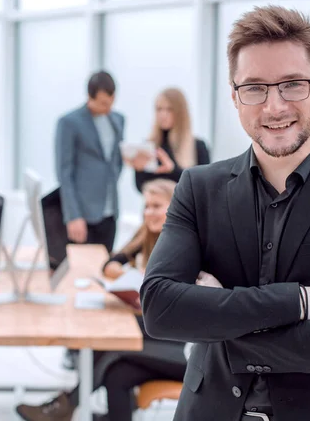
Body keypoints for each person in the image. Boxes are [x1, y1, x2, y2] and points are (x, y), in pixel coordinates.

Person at [140, 5, 310, 421]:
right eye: (255, 88)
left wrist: (220, 320)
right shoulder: (198, 188)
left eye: (292, 84)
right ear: (234, 95)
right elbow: (159, 309)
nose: (274, 106)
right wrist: (299, 302)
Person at [17, 179, 202, 421]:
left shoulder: (189, 246)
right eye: (146, 206)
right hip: (157, 333)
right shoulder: (148, 235)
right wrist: (131, 276)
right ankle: (84, 411)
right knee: (117, 375)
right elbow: (112, 262)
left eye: (157, 206)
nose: (149, 213)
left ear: (175, 206)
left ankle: (63, 407)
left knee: (112, 347)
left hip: (185, 350)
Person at [55, 71, 125, 254]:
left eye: (110, 102)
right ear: (89, 97)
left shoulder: (118, 119)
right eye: (102, 103)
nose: (107, 108)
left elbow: (115, 160)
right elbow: (64, 173)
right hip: (83, 213)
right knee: (83, 271)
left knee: (105, 265)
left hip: (110, 210)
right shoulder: (69, 123)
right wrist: (73, 215)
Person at [124, 88, 210, 192]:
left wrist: (172, 170)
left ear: (180, 112)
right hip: (155, 206)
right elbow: (141, 188)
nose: (163, 114)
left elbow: (202, 187)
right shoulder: (149, 146)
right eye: (159, 109)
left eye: (169, 109)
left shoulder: (198, 147)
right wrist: (139, 169)